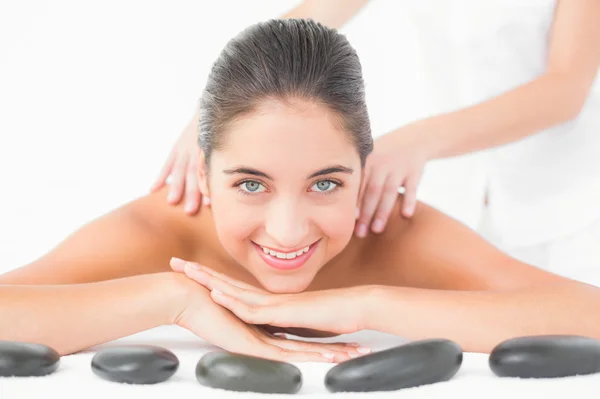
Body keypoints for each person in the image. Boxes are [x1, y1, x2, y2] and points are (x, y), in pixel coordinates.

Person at [1, 19, 599, 363]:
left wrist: (368, 304)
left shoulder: (384, 229)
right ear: (204, 177)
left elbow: (589, 313)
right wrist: (172, 300)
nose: (287, 230)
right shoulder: (161, 230)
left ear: (364, 178)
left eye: (326, 183)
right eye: (251, 184)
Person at [152, 1, 600, 285]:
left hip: (562, 209)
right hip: (449, 200)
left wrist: (417, 141)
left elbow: (565, 90)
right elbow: (307, 20)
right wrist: (211, 116)